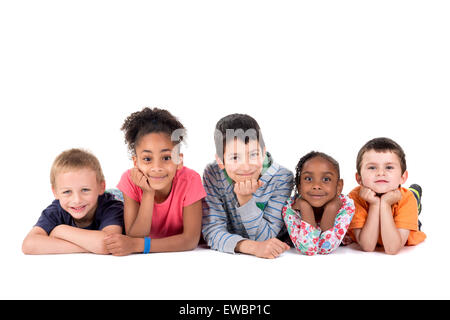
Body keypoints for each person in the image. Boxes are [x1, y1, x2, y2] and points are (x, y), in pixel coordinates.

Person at [104, 107, 206, 256]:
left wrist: (138, 245)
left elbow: (190, 240)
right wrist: (148, 193)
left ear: (179, 160)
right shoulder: (130, 180)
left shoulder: (190, 180)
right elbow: (134, 235)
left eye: (166, 158)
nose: (157, 168)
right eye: (147, 159)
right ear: (136, 162)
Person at [202, 113, 293, 259]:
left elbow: (266, 238)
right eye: (235, 157)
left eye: (253, 155)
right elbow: (213, 230)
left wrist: (245, 199)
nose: (246, 167)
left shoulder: (282, 178)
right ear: (220, 160)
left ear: (263, 153)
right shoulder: (213, 173)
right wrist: (252, 247)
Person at [22, 149, 124, 254]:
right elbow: (29, 244)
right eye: (67, 192)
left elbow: (108, 244)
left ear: (101, 187)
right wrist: (89, 247)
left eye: (85, 190)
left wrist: (61, 230)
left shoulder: (112, 206)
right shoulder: (56, 210)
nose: (77, 200)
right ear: (55, 192)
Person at [348, 137, 426, 254]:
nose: (381, 173)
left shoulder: (406, 199)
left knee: (415, 216)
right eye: (372, 167)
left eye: (389, 167)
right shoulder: (354, 198)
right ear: (359, 178)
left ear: (402, 177)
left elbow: (392, 248)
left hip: (402, 222)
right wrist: (375, 204)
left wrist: (384, 204)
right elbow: (368, 246)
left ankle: (415, 196)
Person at [281, 151, 355, 255]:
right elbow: (307, 248)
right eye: (308, 178)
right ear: (299, 186)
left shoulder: (346, 205)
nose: (316, 185)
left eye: (326, 179)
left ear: (339, 186)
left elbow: (325, 248)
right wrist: (305, 208)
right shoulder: (290, 207)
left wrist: (331, 209)